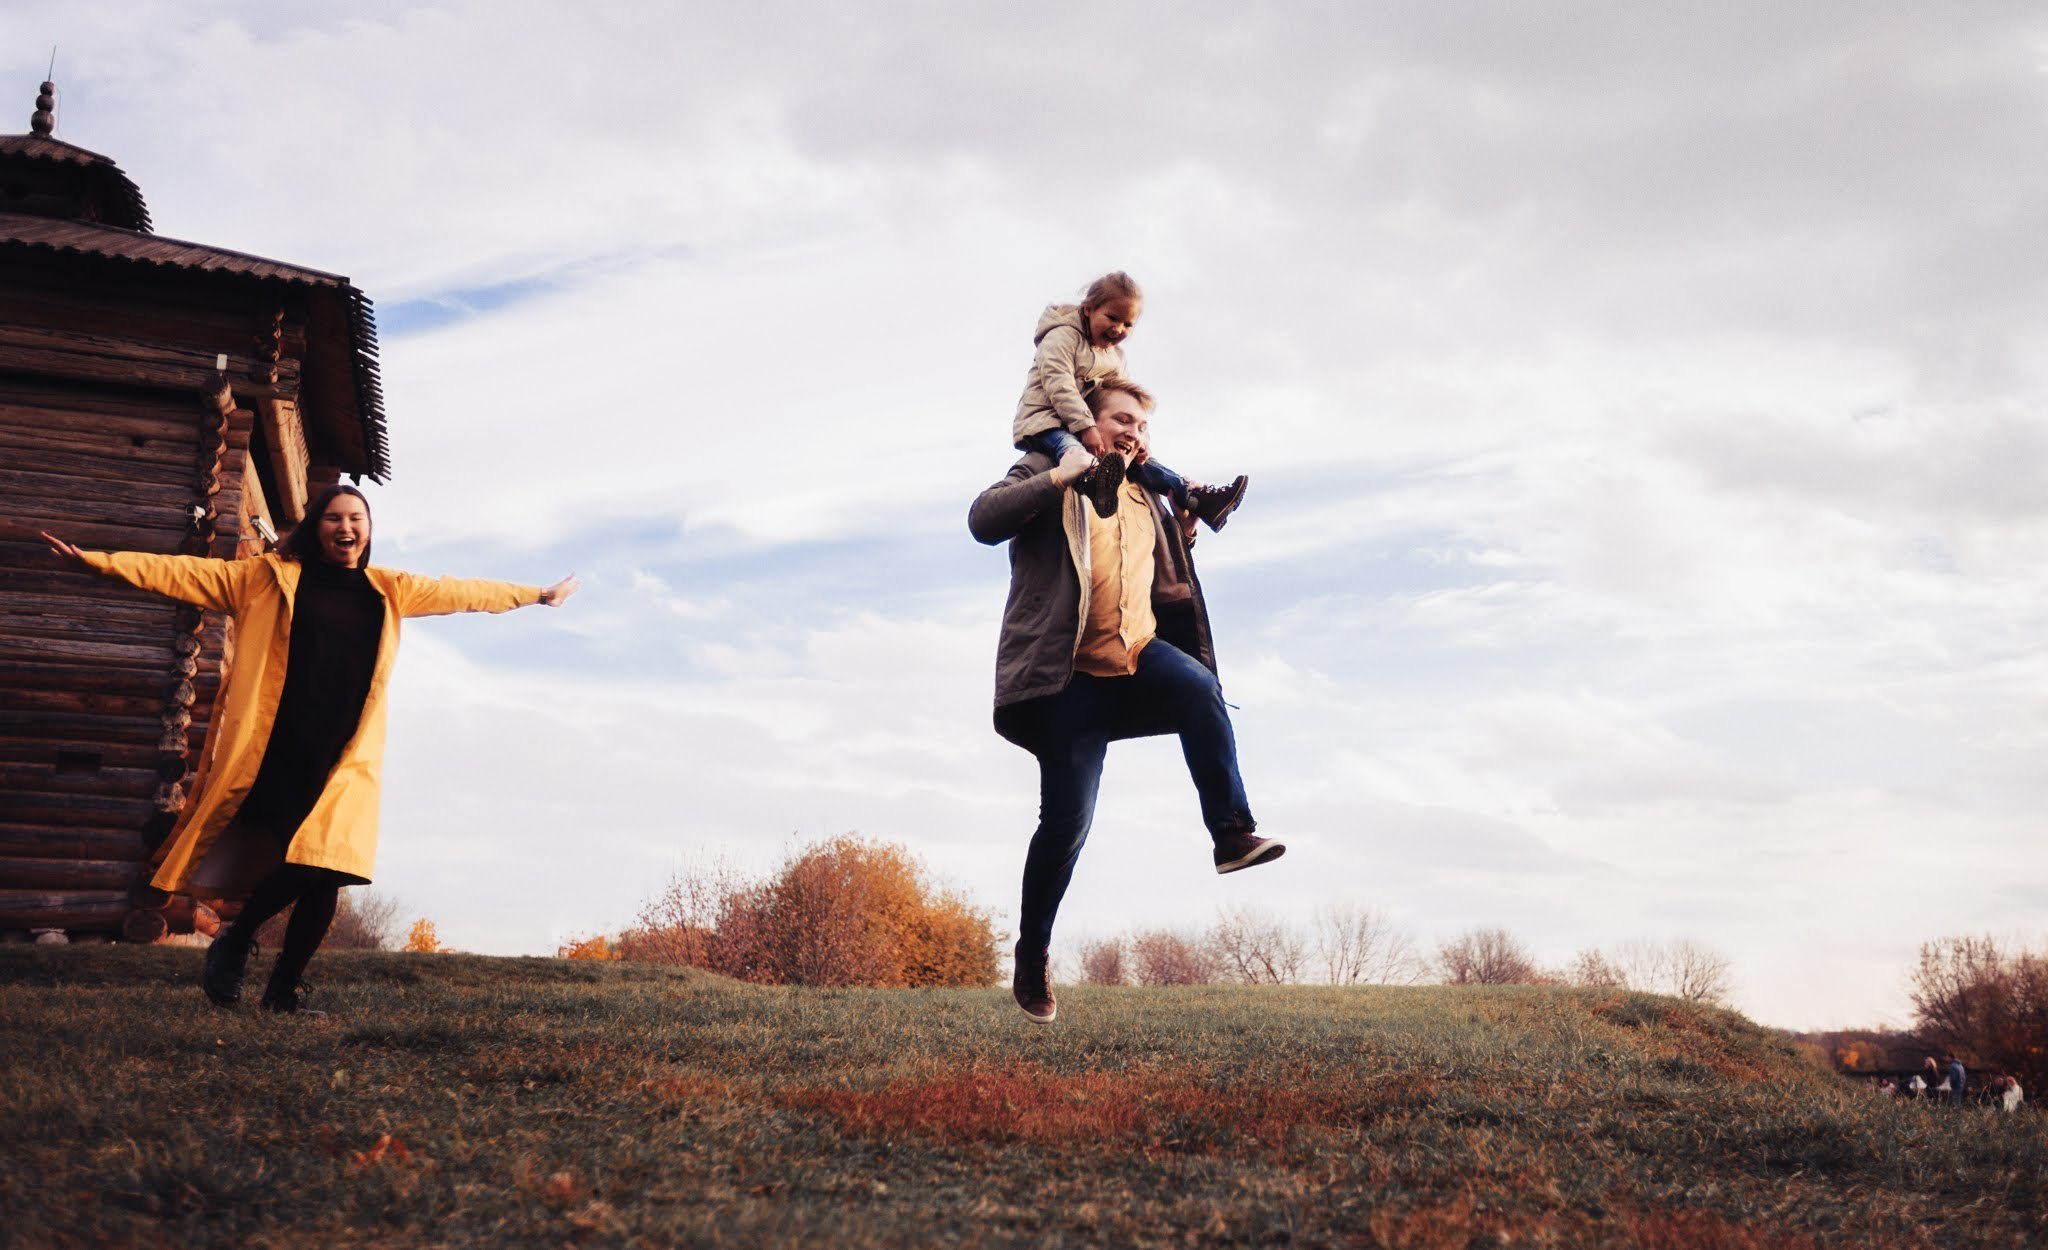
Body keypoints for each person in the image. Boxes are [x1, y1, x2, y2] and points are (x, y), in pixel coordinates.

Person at [41, 485, 579, 1014]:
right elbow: (182, 573)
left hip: (345, 756)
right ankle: (258, 965)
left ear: (368, 530)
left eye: (356, 518)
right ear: (315, 527)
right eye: (333, 518)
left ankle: (260, 966)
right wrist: (99, 562)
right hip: (280, 748)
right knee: (314, 865)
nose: (346, 527)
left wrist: (536, 594)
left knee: (330, 867)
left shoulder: (390, 589)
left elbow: (463, 592)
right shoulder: (264, 579)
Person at [971, 376, 1281, 1023]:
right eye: (1121, 421)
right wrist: (1059, 478)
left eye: (1141, 427)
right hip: (1066, 681)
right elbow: (984, 520)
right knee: (1067, 824)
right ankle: (1033, 950)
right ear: (1089, 422)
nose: (1133, 434)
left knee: (1199, 688)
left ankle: (1230, 834)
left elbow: (1159, 582)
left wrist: (1184, 535)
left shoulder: (1146, 491)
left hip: (1136, 658)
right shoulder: (1047, 464)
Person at [1011, 271, 1248, 529]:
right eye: (1112, 318)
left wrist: (1142, 442)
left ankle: (1198, 500)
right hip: (1047, 422)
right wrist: (1086, 427)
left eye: (1127, 324)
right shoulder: (1062, 336)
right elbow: (1059, 383)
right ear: (1089, 309)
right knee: (1074, 452)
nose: (1118, 329)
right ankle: (1095, 483)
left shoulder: (1116, 358)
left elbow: (1124, 400)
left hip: (1087, 427)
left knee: (1140, 461)